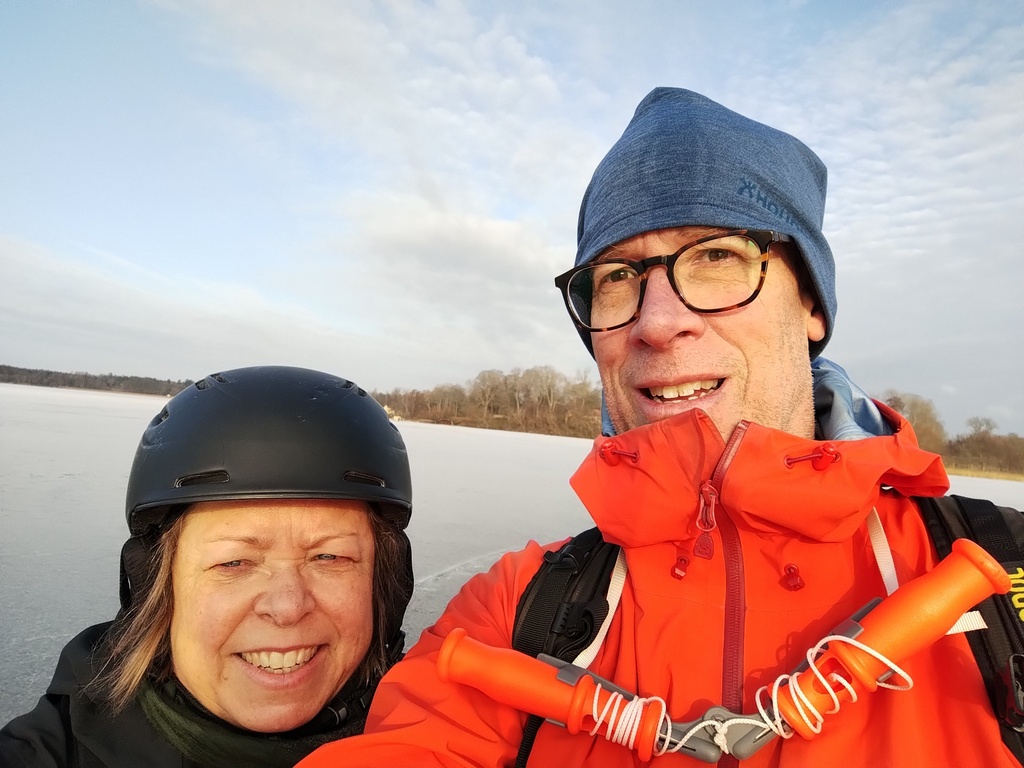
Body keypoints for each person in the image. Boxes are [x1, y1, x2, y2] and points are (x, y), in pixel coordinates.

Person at [297, 88, 1021, 766]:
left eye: (716, 258)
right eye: (616, 276)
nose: (656, 321)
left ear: (812, 305)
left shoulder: (1000, 572)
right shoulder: (516, 609)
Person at [0, 365, 415, 768]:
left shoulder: (446, 738)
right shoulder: (53, 751)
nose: (288, 607)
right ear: (158, 587)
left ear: (385, 585)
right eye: (234, 562)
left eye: (330, 557)